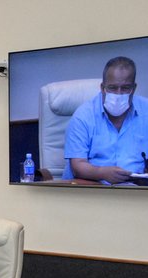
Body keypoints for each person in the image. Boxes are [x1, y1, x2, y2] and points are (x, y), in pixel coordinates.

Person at [63, 56, 148, 184]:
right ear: (102, 88)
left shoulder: (146, 110)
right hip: (91, 188)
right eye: (112, 88)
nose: (118, 94)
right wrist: (102, 173)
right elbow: (77, 166)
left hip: (136, 189)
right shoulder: (83, 116)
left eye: (125, 88)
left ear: (133, 88)